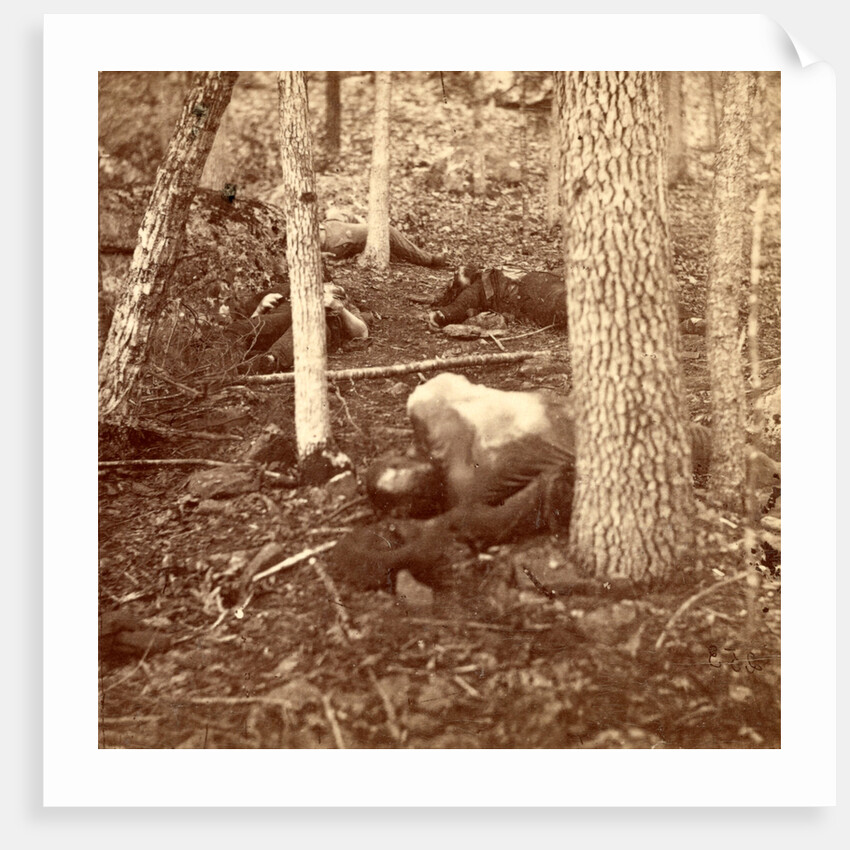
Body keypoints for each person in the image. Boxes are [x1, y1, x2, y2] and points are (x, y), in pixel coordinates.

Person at [230, 284, 369, 375]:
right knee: (236, 330)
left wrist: (339, 308)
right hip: (278, 324)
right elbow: (251, 326)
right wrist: (259, 309)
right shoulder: (285, 294)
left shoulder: (340, 306)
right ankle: (228, 361)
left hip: (309, 327)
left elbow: (362, 333)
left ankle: (268, 362)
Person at [320, 219, 447, 268]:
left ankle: (406, 247)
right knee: (384, 230)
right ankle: (430, 260)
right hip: (332, 238)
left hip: (329, 228)